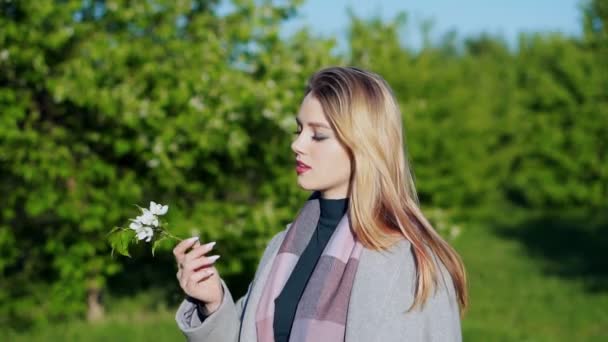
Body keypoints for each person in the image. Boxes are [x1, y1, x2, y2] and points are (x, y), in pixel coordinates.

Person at [173, 66, 468, 342]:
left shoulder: (409, 263)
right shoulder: (284, 246)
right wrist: (212, 302)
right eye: (298, 130)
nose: (297, 145)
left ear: (363, 145)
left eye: (319, 135)